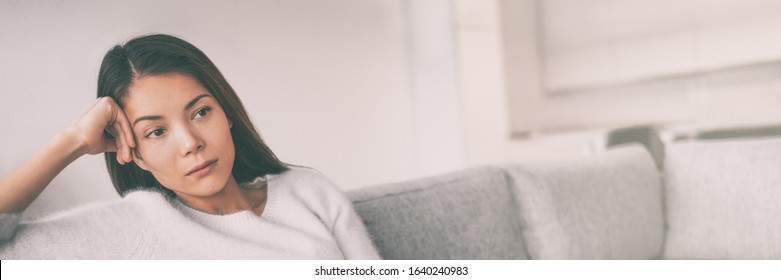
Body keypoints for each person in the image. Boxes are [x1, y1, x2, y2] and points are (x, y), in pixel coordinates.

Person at [0, 34, 380, 259]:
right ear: (133, 153)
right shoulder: (135, 227)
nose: (191, 144)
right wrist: (70, 142)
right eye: (155, 132)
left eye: (200, 112)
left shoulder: (306, 191)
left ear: (226, 112)